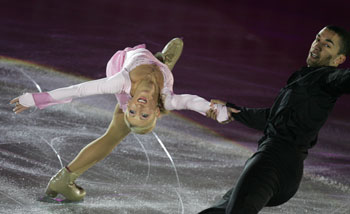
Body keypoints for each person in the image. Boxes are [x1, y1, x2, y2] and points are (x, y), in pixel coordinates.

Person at [10, 38, 228, 201]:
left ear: (128, 105)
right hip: (145, 78)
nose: (139, 108)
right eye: (144, 114)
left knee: (115, 133)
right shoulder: (166, 99)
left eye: (133, 112)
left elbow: (77, 90)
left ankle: (63, 179)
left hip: (120, 64)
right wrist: (215, 111)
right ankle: (161, 62)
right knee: (148, 98)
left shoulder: (120, 84)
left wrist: (34, 99)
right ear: (157, 112)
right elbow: (190, 102)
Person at [201, 25, 350, 214]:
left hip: (272, 165)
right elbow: (273, 118)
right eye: (318, 38)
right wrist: (234, 111)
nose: (317, 46)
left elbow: (345, 79)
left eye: (327, 45)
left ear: (339, 59)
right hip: (282, 170)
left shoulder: (327, 79)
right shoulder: (305, 78)